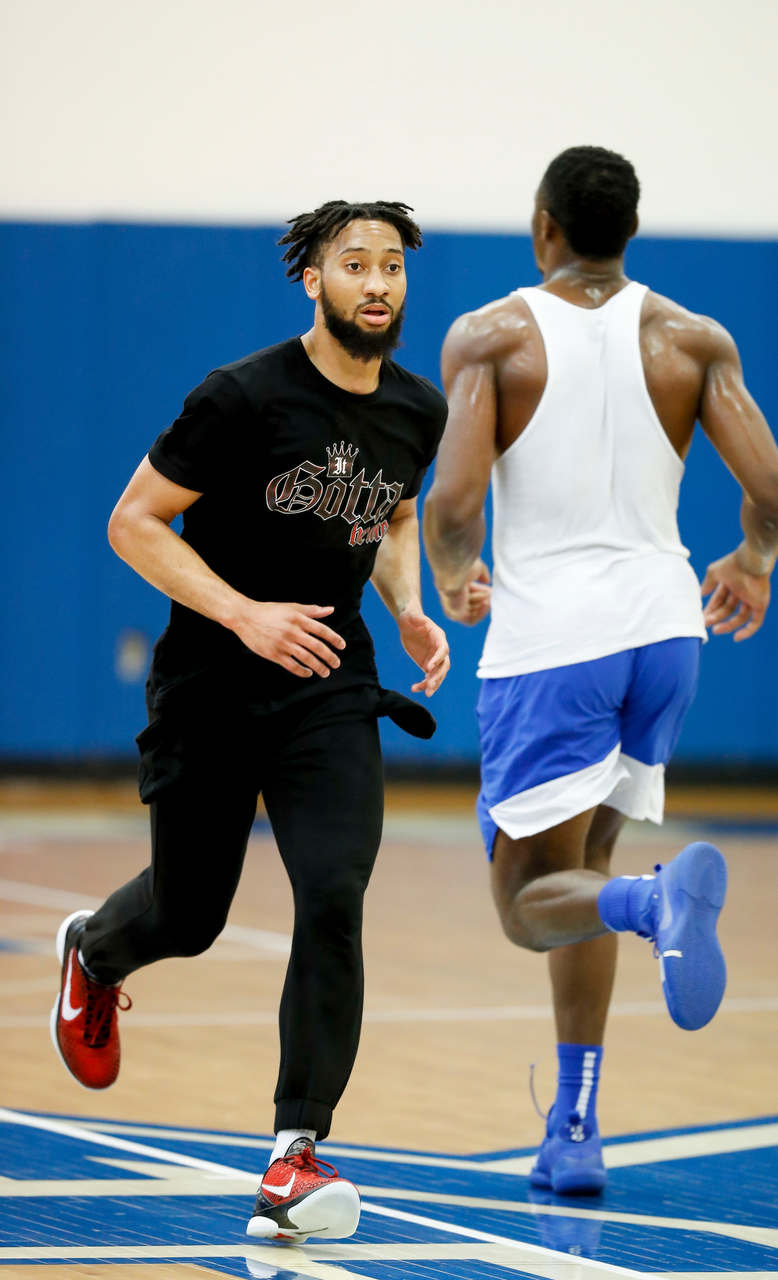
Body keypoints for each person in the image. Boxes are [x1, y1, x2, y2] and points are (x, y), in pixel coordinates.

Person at [50, 200, 450, 1242]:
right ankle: (95, 952)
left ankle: (293, 1153)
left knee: (333, 893)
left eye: (392, 266)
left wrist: (408, 605)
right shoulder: (241, 396)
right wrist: (240, 612)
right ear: (310, 281)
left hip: (329, 683)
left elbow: (395, 514)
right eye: (353, 264)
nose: (376, 282)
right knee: (190, 915)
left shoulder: (418, 409)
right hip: (212, 684)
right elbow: (132, 520)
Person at [424, 147, 778, 1196]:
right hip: (663, 632)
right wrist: (753, 561)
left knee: (525, 899)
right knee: (579, 877)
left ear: (543, 224)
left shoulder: (489, 336)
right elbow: (773, 488)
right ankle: (575, 1128)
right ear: (627, 229)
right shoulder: (691, 338)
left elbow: (452, 507)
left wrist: (455, 576)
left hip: (554, 643)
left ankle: (653, 902)